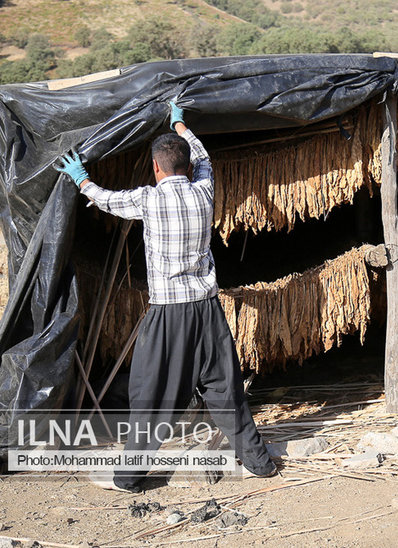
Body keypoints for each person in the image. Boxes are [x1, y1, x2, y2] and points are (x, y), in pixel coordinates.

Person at [55, 101, 276, 493]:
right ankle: (259, 464)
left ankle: (129, 476)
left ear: (156, 168)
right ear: (187, 168)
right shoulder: (204, 191)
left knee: (150, 397)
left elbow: (105, 199)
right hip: (208, 311)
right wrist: (180, 121)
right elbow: (204, 155)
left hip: (168, 315)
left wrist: (80, 178)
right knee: (226, 391)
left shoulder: (147, 199)